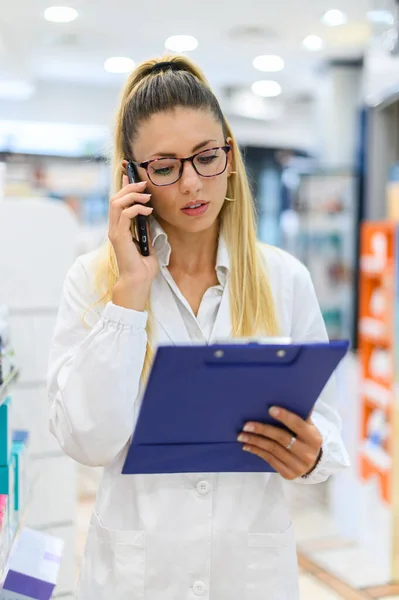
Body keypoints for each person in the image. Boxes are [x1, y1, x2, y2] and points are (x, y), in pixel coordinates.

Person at [47, 55, 350, 600]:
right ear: (131, 176)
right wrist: (129, 297)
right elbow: (87, 441)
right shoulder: (93, 281)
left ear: (229, 156)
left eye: (207, 157)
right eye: (164, 167)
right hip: (137, 579)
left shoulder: (284, 278)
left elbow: (324, 419)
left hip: (249, 576)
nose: (192, 184)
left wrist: (314, 454)